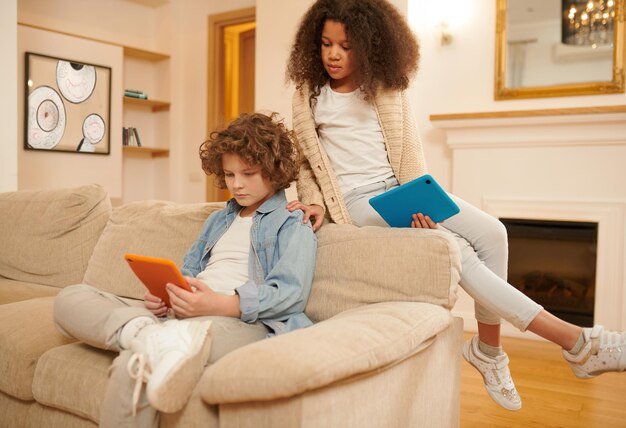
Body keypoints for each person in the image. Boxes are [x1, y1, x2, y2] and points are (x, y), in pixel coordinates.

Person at [285, 0, 626, 412]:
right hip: (356, 202)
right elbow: (305, 161)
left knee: (494, 231)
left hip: (402, 188)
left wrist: (420, 198)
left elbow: (410, 151)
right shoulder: (310, 95)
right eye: (326, 44)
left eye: (346, 45)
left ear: (370, 45)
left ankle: (488, 349)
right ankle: (576, 342)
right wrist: (313, 202)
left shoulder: (387, 86)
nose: (334, 54)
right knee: (457, 249)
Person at [53, 112, 317, 426]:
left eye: (248, 173)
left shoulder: (292, 222)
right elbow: (188, 271)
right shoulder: (219, 219)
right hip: (184, 311)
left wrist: (221, 304)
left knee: (135, 363)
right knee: (70, 297)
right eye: (230, 175)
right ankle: (140, 330)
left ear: (275, 171)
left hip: (242, 321)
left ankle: (151, 339)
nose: (237, 184)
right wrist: (167, 294)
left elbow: (291, 294)